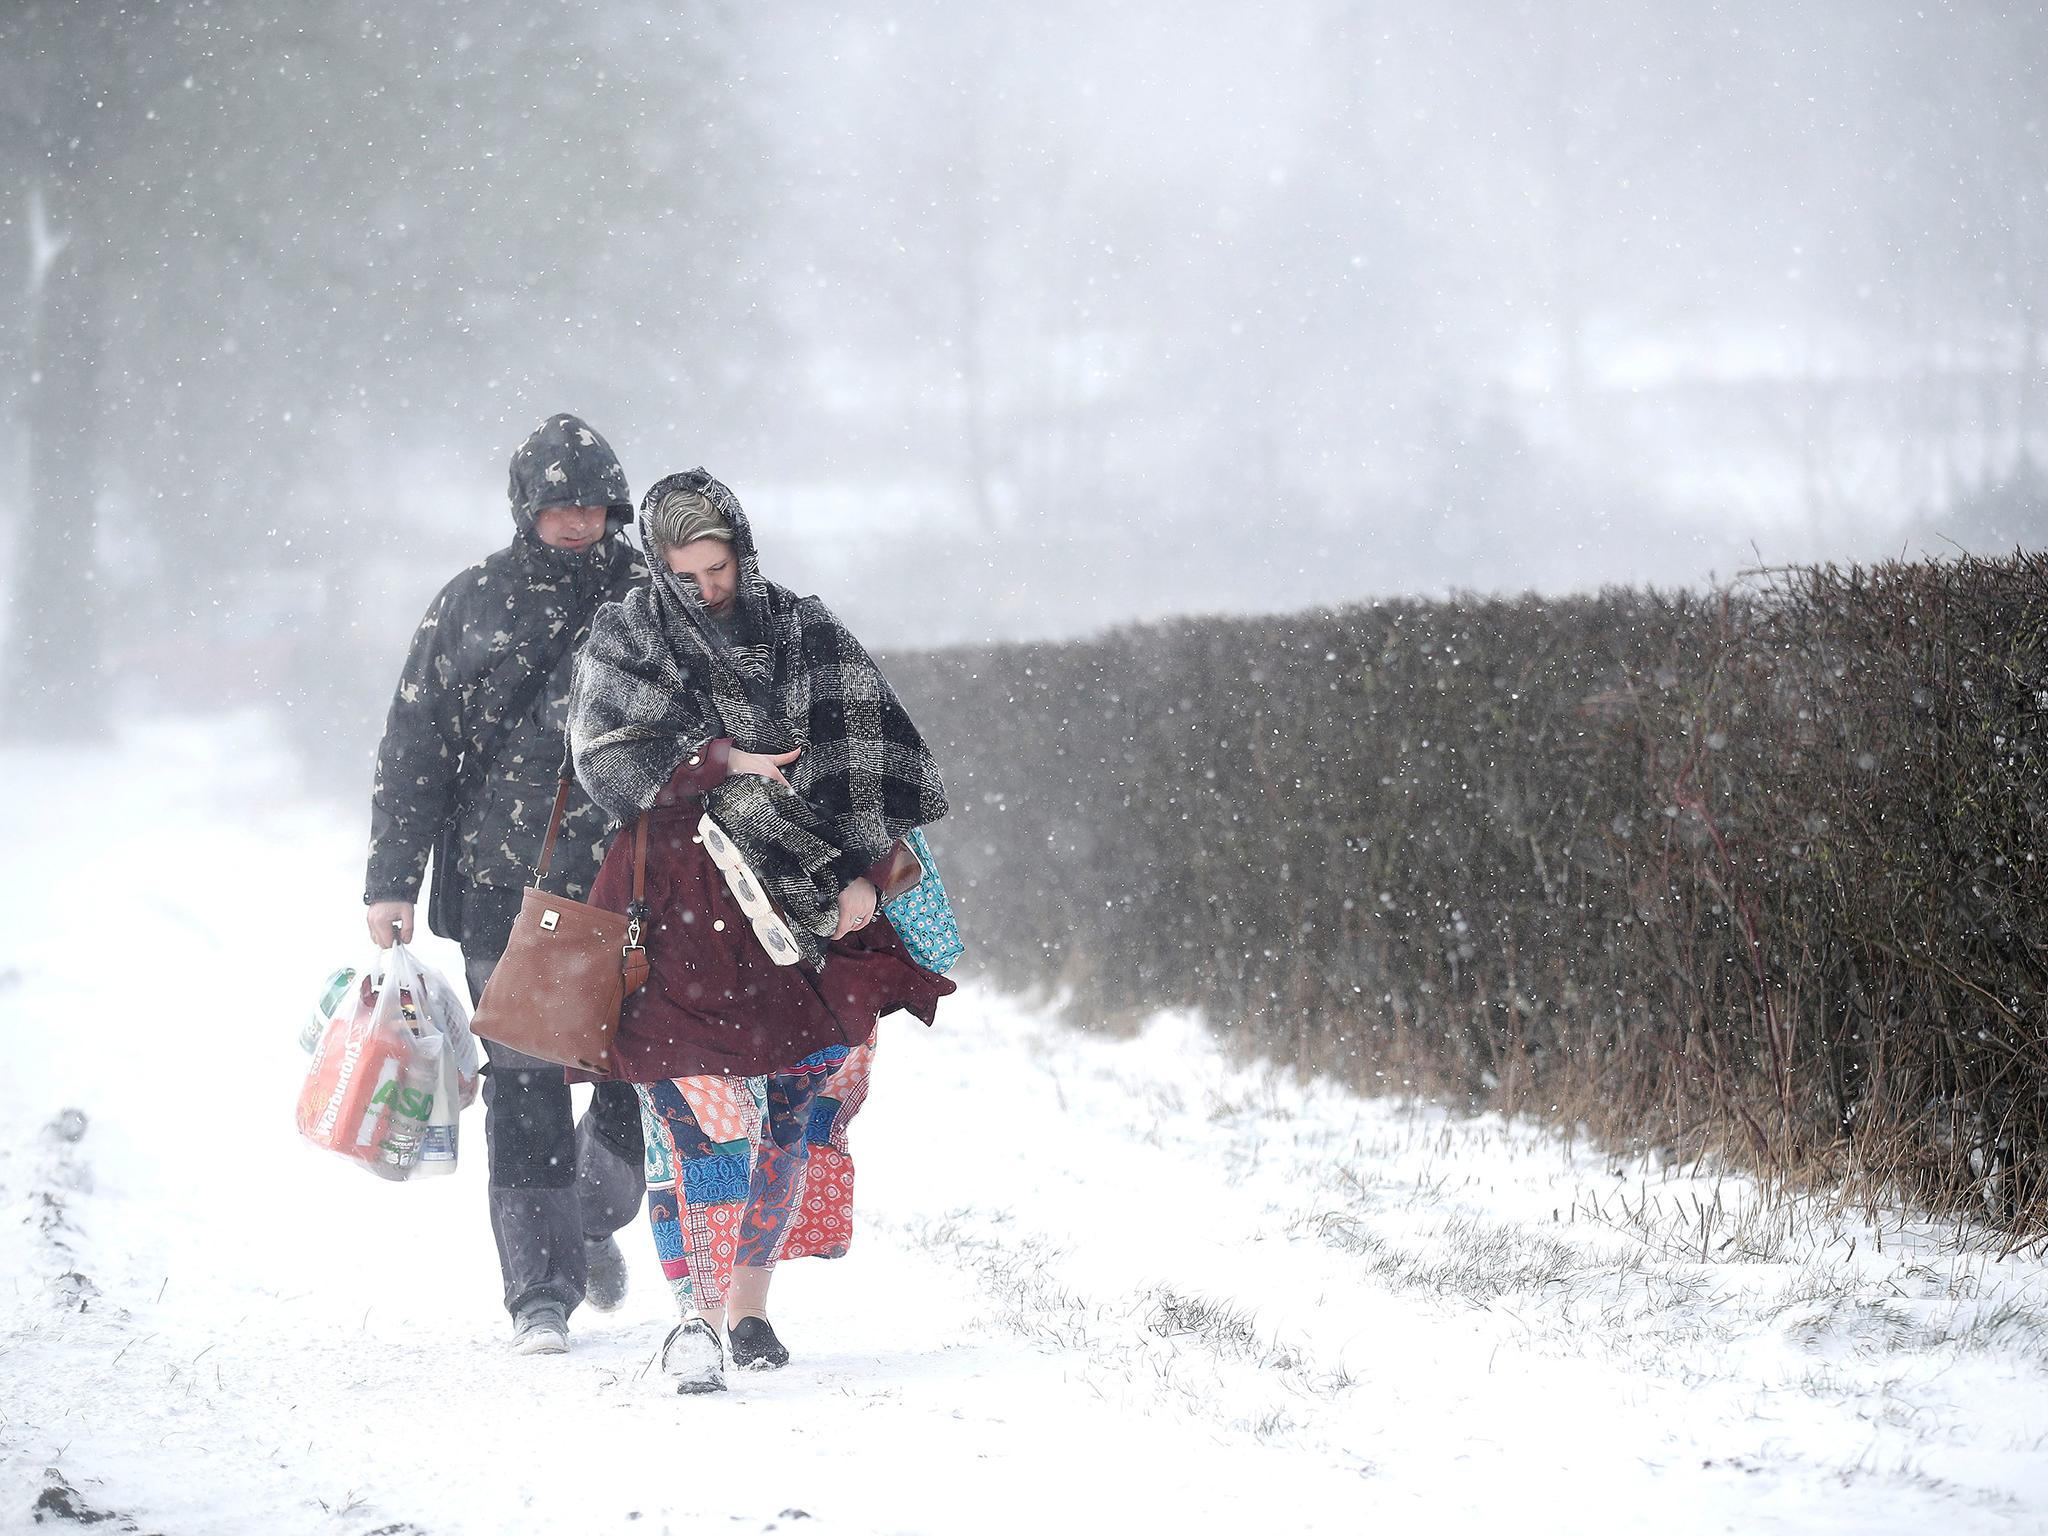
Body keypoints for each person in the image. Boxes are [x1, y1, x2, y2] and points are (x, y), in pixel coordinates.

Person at [568, 468, 954, 1394]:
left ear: (744, 548)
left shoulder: (803, 627)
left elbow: (870, 753)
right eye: (688, 572)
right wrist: (718, 758)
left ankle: (750, 1307)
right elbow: (602, 757)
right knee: (692, 1110)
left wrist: (868, 870)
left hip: (804, 901)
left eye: (721, 566)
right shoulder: (627, 634)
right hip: (676, 898)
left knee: (791, 1104)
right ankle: (694, 1317)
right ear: (658, 565)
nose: (710, 588)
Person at [363, 413, 650, 1356]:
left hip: (633, 878)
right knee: (526, 1084)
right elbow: (415, 745)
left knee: (636, 1073)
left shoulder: (654, 600)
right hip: (503, 885)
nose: (578, 521)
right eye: (559, 504)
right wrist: (390, 878)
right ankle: (538, 1293)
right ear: (527, 508)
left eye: (592, 503)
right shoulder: (471, 603)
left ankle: (594, 1213)